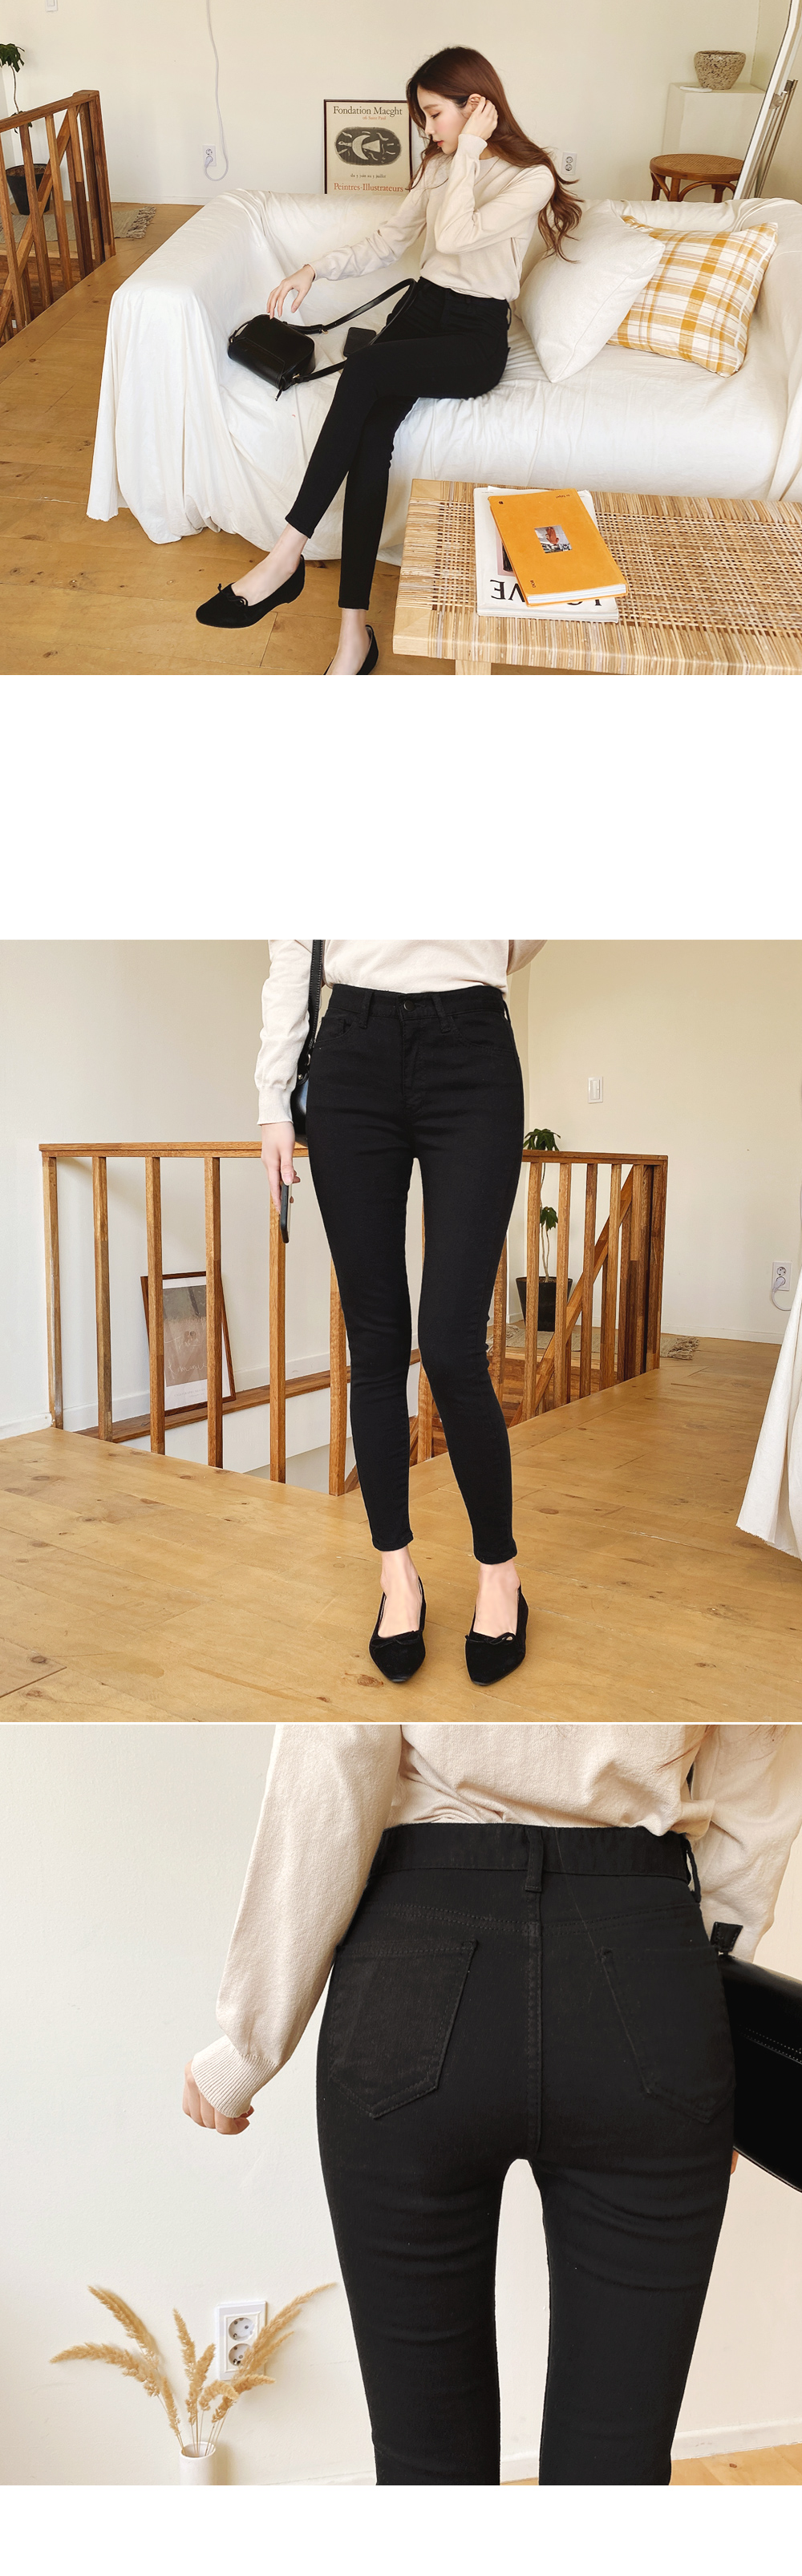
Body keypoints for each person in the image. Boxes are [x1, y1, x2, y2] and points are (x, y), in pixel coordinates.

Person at [183, 1720, 802, 2485]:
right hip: (647, 1971)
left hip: (416, 1958)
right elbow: (754, 1769)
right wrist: (709, 2026)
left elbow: (338, 1753)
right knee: (618, 2468)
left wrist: (249, 2044)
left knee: (425, 2465)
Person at [196, 47, 580, 673]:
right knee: (373, 435)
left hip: (474, 336)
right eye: (421, 116)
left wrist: (469, 152)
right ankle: (354, 635)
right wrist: (314, 268)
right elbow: (390, 240)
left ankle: (285, 555)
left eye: (434, 114)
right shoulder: (441, 164)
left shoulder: (528, 176)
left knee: (366, 370)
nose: (427, 129)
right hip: (421, 311)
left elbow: (455, 237)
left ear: (476, 105)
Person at [257, 940, 542, 1684]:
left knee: (449, 1343)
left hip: (472, 1045)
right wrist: (272, 1098)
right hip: (353, 1048)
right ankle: (397, 1574)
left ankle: (499, 1572)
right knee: (377, 1344)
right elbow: (293, 940)